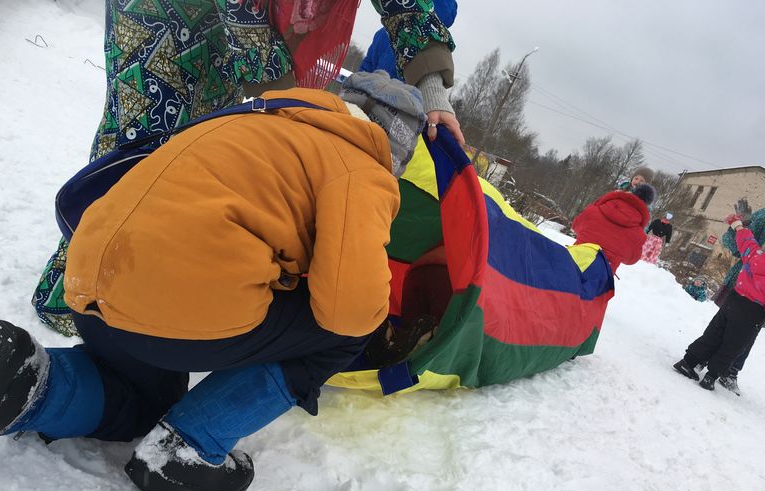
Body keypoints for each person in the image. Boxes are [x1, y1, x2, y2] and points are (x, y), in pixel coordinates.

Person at [0, 71, 427, 491]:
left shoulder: (260, 117)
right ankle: (188, 448)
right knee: (345, 333)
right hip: (173, 300)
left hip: (89, 278)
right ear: (396, 145)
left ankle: (22, 378)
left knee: (143, 401)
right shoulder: (361, 167)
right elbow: (348, 309)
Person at [32, 0, 464, 337]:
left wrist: (433, 95)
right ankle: (76, 293)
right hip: (161, 15)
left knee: (195, 152)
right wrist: (284, 102)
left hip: (240, 43)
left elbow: (407, 5)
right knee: (143, 139)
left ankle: (141, 288)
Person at [673, 213, 765, 391]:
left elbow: (746, 240)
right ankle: (711, 377)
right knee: (732, 345)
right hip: (753, 311)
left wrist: (737, 224)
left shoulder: (756, 255)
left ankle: (688, 362)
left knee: (713, 333)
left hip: (734, 299)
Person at [710, 207, 765, 394]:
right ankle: (711, 361)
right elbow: (733, 246)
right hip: (745, 282)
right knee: (725, 325)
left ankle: (729, 370)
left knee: (747, 333)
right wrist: (739, 226)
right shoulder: (762, 216)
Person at [360, 0, 458, 79]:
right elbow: (367, 66)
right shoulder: (384, 33)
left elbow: (366, 67)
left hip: (390, 95)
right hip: (373, 93)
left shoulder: (384, 33)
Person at [571, 184, 657, 274]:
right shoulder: (638, 236)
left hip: (571, 264)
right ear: (647, 204)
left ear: (633, 192)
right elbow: (631, 259)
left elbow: (575, 225)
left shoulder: (593, 211)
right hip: (599, 277)